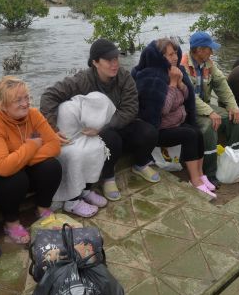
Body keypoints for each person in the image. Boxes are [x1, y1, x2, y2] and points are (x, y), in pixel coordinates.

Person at [40, 39, 160, 202]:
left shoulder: (124, 77)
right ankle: (108, 177)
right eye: (109, 60)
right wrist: (52, 129)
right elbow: (49, 96)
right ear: (95, 62)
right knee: (112, 139)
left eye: (116, 59)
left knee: (149, 132)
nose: (114, 64)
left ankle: (141, 163)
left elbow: (131, 109)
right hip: (95, 132)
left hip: (118, 122)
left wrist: (104, 126)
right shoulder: (83, 79)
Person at [0, 76, 62, 244]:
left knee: (52, 166)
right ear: (1, 104)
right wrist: (32, 146)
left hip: (21, 166)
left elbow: (54, 145)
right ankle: (11, 223)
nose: (25, 103)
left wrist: (23, 158)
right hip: (0, 179)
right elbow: (3, 166)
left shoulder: (33, 115)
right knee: (16, 178)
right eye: (18, 100)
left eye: (26, 97)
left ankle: (42, 209)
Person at [133, 38, 216, 198]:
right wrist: (172, 84)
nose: (175, 57)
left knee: (197, 132)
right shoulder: (151, 77)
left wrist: (180, 84)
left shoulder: (176, 71)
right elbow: (162, 110)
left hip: (175, 123)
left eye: (175, 53)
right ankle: (195, 181)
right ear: (160, 57)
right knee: (190, 135)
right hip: (159, 130)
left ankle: (200, 175)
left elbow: (186, 97)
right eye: (170, 54)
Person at [181, 31, 239, 186]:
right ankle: (209, 173)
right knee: (209, 126)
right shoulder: (182, 65)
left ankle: (235, 162)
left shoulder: (209, 63)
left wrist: (233, 107)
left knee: (235, 118)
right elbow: (189, 97)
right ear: (199, 50)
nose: (212, 51)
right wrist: (210, 112)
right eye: (209, 48)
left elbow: (222, 85)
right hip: (187, 110)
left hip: (204, 105)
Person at [51, 92, 115, 218]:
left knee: (97, 147)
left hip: (80, 137)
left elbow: (87, 130)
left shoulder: (85, 110)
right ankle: (72, 201)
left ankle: (85, 191)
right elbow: (66, 138)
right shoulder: (67, 109)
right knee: (77, 155)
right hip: (64, 144)